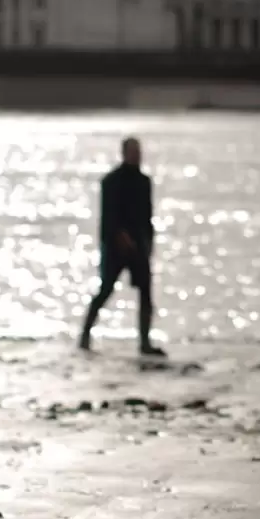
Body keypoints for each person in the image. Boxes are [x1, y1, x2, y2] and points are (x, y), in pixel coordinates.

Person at [78, 137, 165, 356]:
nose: (138, 155)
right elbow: (109, 216)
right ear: (124, 153)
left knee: (145, 293)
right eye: (134, 151)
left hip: (139, 244)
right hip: (115, 246)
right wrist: (119, 236)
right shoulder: (111, 181)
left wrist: (149, 242)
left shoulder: (144, 182)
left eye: (139, 151)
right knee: (106, 289)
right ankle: (85, 335)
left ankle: (144, 342)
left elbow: (147, 215)